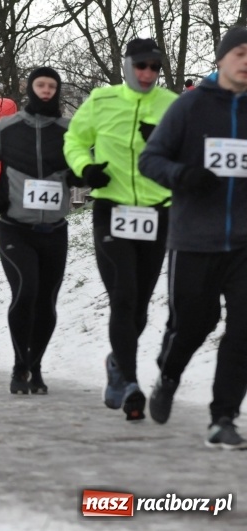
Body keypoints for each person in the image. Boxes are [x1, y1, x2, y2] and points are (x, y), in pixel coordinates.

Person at [138, 27, 247, 449]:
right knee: (194, 323)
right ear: (221, 59)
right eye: (240, 52)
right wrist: (182, 175)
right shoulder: (190, 106)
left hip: (243, 241)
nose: (246, 61)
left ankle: (223, 418)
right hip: (194, 239)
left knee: (243, 329)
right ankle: (168, 375)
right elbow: (151, 159)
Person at [64, 38, 178, 419]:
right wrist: (85, 169)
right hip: (112, 208)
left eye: (154, 68)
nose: (147, 74)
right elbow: (75, 141)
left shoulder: (171, 105)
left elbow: (189, 149)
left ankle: (116, 362)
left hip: (156, 211)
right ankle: (129, 382)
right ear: (127, 65)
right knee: (124, 294)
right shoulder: (101, 101)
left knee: (141, 307)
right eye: (141, 65)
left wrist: (161, 148)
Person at [0, 66, 77, 395]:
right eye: (40, 84)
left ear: (57, 90)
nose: (46, 90)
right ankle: (21, 365)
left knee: (47, 300)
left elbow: (82, 164)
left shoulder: (68, 129)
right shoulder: (8, 126)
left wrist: (82, 174)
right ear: (31, 89)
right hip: (16, 227)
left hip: (55, 228)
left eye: (51, 85)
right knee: (26, 291)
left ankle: (36, 366)